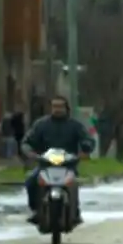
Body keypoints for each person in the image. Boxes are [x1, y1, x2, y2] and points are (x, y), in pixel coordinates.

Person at [21, 95, 93, 223]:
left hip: (68, 164)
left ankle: (74, 211)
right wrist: (29, 152)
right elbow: (27, 141)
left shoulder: (75, 125)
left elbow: (87, 139)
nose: (57, 109)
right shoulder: (41, 124)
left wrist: (86, 147)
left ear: (66, 108)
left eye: (60, 106)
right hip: (45, 164)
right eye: (55, 106)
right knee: (31, 181)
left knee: (73, 183)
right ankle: (36, 210)